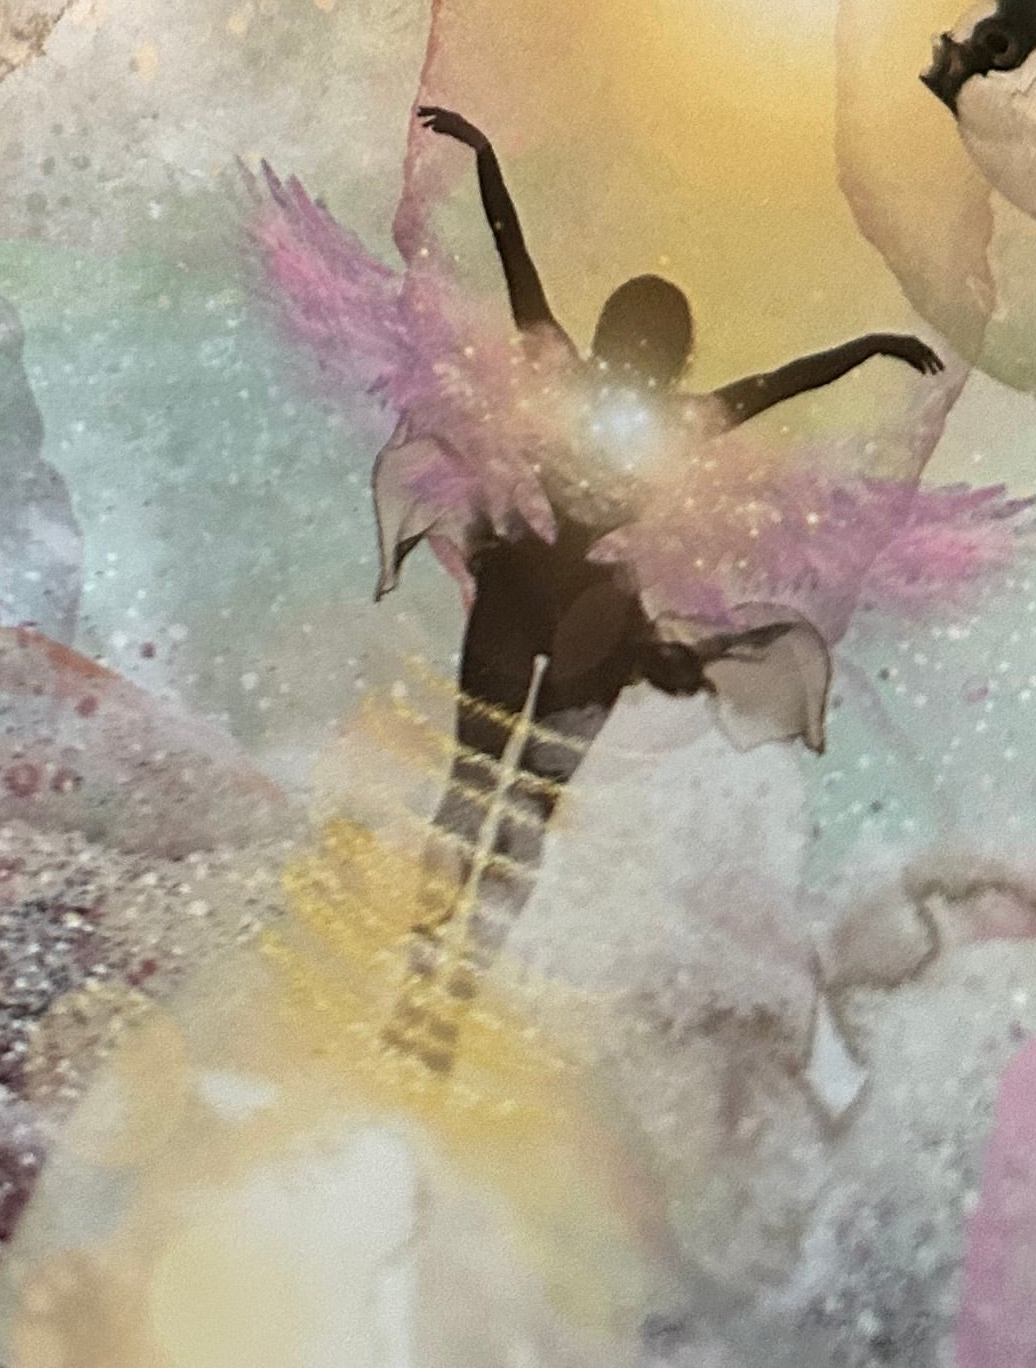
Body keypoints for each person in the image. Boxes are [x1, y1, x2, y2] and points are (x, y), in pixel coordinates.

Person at [392, 107, 943, 1070]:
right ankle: (434, 988)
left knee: (492, 794)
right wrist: (868, 347)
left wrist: (868, 347)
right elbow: (776, 378)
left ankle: (436, 989)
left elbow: (777, 378)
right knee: (504, 799)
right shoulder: (650, 406)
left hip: (553, 602)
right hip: (579, 614)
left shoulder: (615, 394)